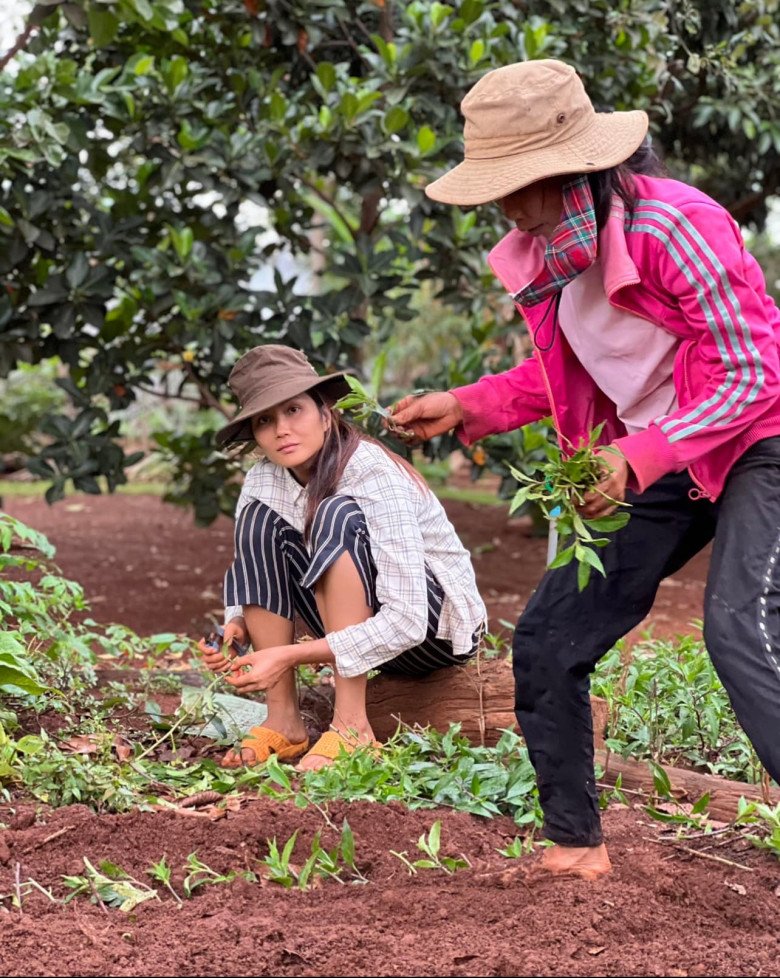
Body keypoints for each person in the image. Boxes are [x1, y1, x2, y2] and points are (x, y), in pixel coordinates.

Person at [391, 59, 780, 880]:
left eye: (518, 183)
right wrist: (467, 404)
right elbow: (580, 372)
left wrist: (639, 455)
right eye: (495, 185)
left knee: (739, 627)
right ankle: (574, 846)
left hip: (756, 438)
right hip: (662, 454)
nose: (505, 205)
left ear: (576, 168)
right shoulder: (548, 259)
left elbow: (752, 369)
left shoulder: (674, 226)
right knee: (548, 639)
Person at [197, 344, 486, 772]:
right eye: (265, 420)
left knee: (336, 512)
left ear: (325, 411)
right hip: (352, 630)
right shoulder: (262, 479)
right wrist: (237, 625)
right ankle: (284, 723)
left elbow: (407, 619)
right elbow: (256, 564)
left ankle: (352, 727)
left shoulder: (370, 471)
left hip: (432, 634)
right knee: (259, 519)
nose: (282, 430)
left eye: (293, 410)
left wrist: (289, 655)